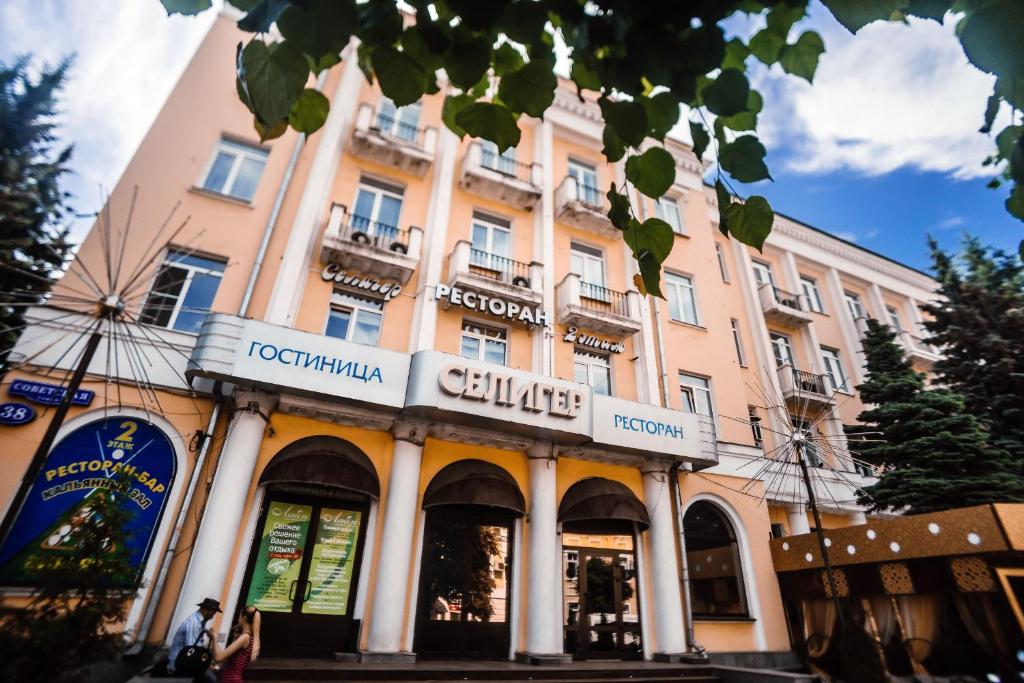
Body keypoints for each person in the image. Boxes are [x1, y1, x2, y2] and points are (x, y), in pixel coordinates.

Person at [156, 598, 221, 678]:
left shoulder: (200, 622)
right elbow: (193, 650)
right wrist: (209, 665)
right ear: (207, 610)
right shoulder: (194, 623)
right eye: (213, 613)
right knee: (212, 679)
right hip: (179, 665)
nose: (212, 616)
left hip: (186, 662)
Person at [207, 605, 260, 683]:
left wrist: (214, 637)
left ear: (244, 618)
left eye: (240, 615)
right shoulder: (247, 637)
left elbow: (218, 658)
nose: (238, 618)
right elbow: (225, 656)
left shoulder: (244, 637)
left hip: (230, 679)